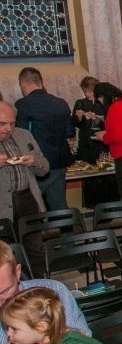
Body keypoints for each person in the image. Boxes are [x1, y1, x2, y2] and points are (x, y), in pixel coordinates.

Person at [15, 68, 74, 211]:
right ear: (41, 82)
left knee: (31, 205)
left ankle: (37, 233)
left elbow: (21, 136)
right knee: (59, 203)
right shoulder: (61, 103)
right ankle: (67, 232)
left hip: (38, 163)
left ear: (23, 83)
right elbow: (70, 132)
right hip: (60, 160)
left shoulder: (24, 104)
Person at [0, 102, 49, 248]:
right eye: (2, 124)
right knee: (6, 253)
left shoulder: (24, 135)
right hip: (2, 204)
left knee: (34, 248)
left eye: (12, 124)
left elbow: (45, 168)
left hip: (28, 200)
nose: (8, 129)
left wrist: (34, 162)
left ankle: (35, 271)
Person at [71, 77, 105, 164]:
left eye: (90, 92)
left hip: (101, 144)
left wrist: (96, 118)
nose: (87, 94)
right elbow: (73, 124)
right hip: (85, 143)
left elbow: (109, 124)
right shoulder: (80, 103)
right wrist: (78, 117)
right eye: (84, 92)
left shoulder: (103, 104)